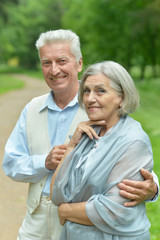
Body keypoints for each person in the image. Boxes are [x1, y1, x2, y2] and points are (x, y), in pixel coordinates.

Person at [2, 30, 158, 240]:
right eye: (46, 62)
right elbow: (11, 164)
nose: (54, 70)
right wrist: (44, 163)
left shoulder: (100, 110)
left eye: (62, 60)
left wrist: (154, 187)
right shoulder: (32, 109)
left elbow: (128, 153)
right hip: (37, 219)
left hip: (83, 222)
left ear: (79, 63)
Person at [50, 60, 157, 240]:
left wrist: (66, 210)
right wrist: (71, 147)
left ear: (121, 97)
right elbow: (57, 194)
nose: (90, 98)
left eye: (100, 90)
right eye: (86, 91)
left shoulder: (133, 140)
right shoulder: (87, 134)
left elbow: (116, 209)